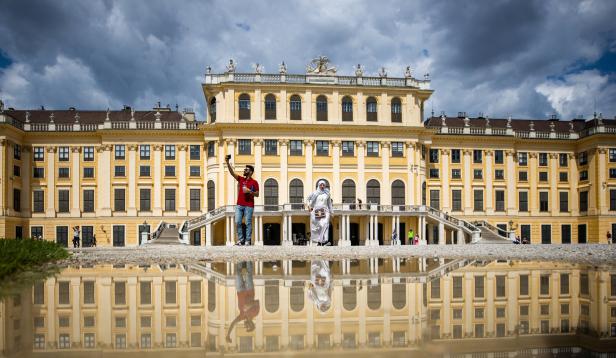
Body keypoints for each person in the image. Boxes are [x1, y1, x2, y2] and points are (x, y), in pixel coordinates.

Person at [225, 156, 259, 246]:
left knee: (248, 223)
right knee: (238, 222)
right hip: (239, 205)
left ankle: (247, 241)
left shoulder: (254, 182)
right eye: (245, 169)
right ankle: (241, 240)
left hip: (249, 205)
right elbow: (232, 173)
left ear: (250, 172)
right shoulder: (241, 179)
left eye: (246, 170)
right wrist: (227, 163)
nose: (244, 170)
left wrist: (250, 191)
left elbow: (257, 194)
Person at [226, 261, 260, 343]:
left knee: (238, 273)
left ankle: (239, 256)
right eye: (247, 327)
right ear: (251, 325)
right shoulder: (255, 313)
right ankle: (249, 253)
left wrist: (228, 335)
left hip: (240, 290)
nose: (245, 326)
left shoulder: (242, 317)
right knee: (248, 272)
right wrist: (249, 305)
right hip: (249, 289)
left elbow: (233, 324)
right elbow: (257, 302)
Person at [307, 180, 334, 246]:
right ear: (318, 185)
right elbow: (308, 199)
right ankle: (320, 241)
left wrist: (331, 211)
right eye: (321, 185)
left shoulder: (327, 194)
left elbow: (329, 203)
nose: (322, 186)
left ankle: (325, 240)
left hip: (325, 210)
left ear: (325, 186)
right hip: (318, 210)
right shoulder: (314, 193)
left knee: (325, 224)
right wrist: (309, 206)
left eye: (323, 185)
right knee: (320, 226)